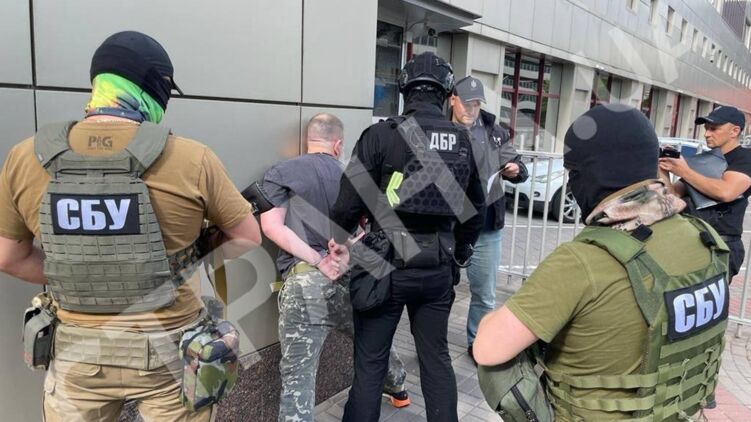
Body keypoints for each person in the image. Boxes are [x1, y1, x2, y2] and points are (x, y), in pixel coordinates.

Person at [0, 31, 261, 421]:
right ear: (156, 87)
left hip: (77, 356)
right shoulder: (193, 159)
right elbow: (247, 236)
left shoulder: (25, 157)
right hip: (171, 353)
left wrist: (85, 276)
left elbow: (8, 256)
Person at [474, 105, 729, 421]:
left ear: (590, 174)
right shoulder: (704, 239)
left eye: (573, 173)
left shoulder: (582, 260)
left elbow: (488, 348)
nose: (571, 184)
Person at [330, 52, 486, 422]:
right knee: (436, 360)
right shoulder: (463, 141)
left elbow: (346, 206)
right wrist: (461, 251)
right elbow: (476, 210)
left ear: (404, 89)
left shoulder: (380, 136)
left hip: (383, 264)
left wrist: (343, 237)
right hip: (437, 266)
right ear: (446, 92)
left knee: (370, 363)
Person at [258, 113, 410, 422]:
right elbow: (372, 232)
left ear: (309, 140)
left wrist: (317, 260)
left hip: (305, 285)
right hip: (351, 279)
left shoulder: (282, 171)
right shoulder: (355, 178)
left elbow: (272, 227)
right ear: (338, 145)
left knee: (298, 376)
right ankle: (398, 388)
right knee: (372, 339)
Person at [448, 76, 528, 364]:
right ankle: (433, 346)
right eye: (466, 103)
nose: (471, 109)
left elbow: (520, 168)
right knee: (440, 291)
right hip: (449, 227)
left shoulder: (494, 131)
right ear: (452, 100)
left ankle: (477, 342)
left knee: (484, 293)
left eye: (476, 104)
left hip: (485, 229)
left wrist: (515, 169)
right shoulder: (439, 130)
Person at [660, 105, 751, 280]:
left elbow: (726, 192)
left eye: (714, 129)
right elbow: (673, 195)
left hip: (721, 246)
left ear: (735, 131)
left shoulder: (745, 158)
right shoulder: (703, 161)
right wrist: (663, 167)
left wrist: (684, 171)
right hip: (690, 242)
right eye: (706, 128)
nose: (707, 134)